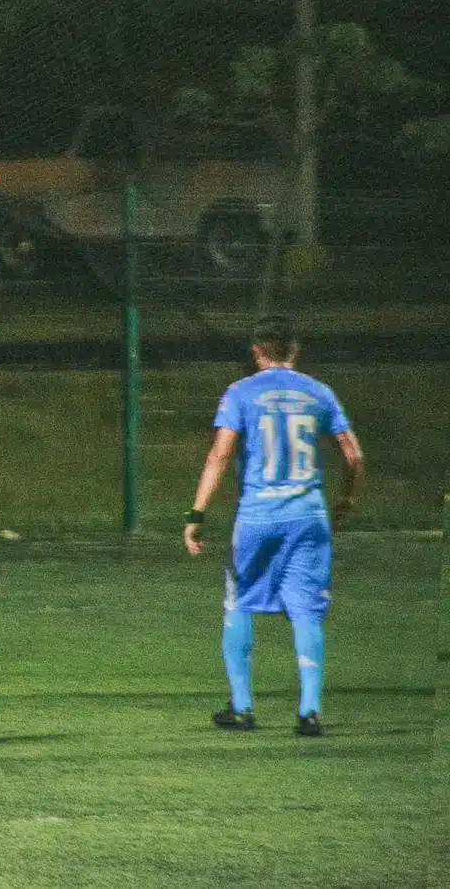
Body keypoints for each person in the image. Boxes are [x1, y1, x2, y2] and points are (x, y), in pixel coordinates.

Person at [184, 316, 363, 737]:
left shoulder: (239, 393)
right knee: (306, 611)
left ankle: (243, 707)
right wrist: (346, 500)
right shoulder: (320, 392)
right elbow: (353, 456)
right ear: (294, 350)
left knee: (239, 603)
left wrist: (197, 514)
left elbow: (220, 456)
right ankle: (309, 712)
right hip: (309, 517)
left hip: (259, 517)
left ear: (256, 351)